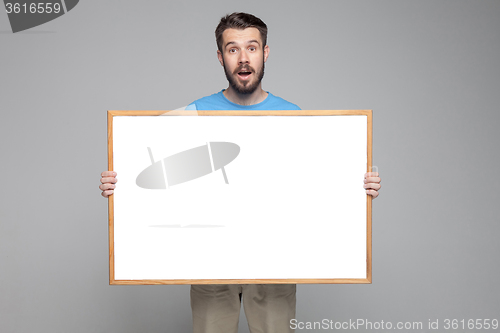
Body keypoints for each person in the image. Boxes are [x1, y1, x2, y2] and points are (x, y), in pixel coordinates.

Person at [100, 12, 382, 333]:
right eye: (233, 49)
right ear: (221, 57)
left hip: (275, 262)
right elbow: (145, 163)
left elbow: (318, 183)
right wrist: (118, 183)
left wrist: (359, 185)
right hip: (210, 261)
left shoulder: (294, 116)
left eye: (252, 47)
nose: (244, 58)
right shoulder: (194, 113)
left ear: (265, 53)